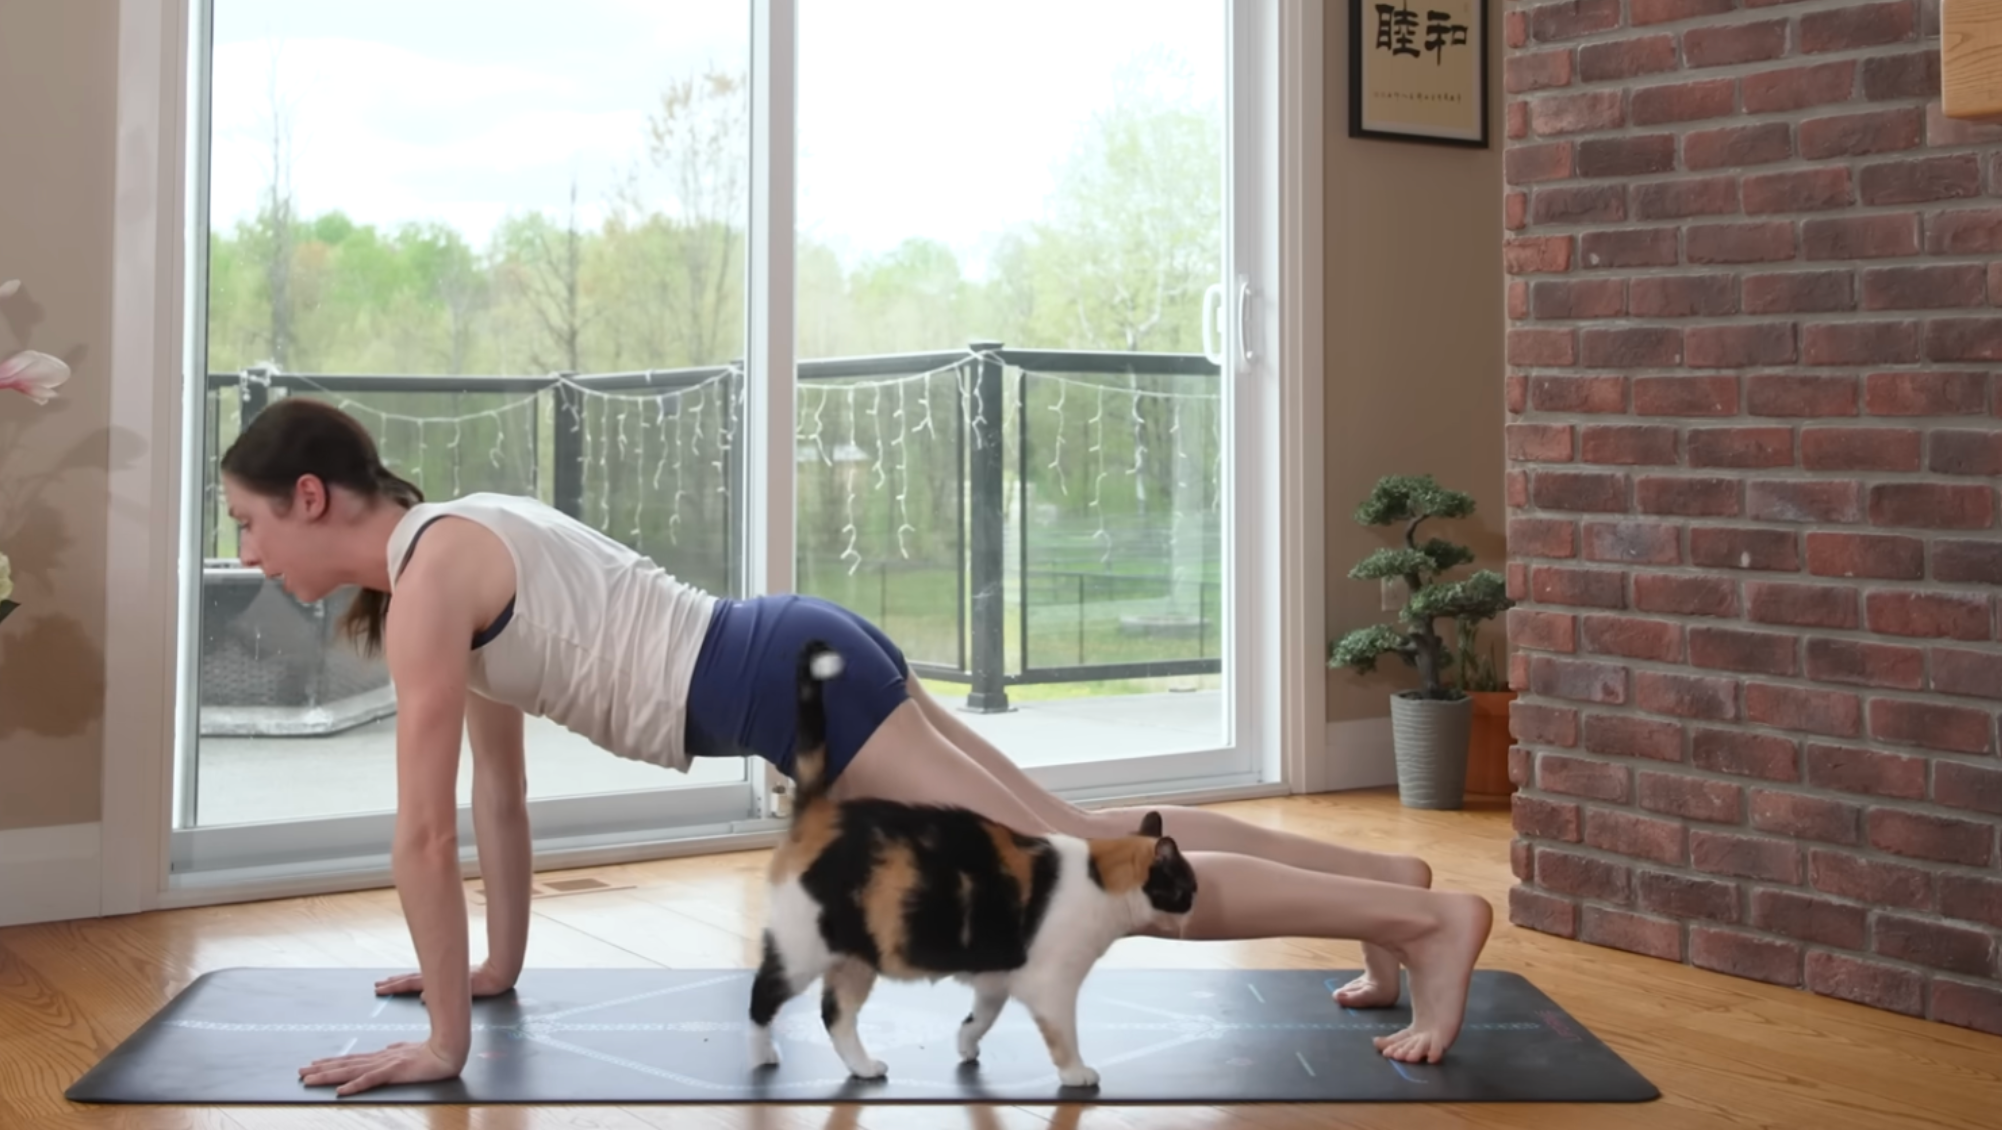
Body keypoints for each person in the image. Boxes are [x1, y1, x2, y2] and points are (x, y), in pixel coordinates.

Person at [218, 397, 1493, 1097]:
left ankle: (1433, 932)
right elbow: (497, 801)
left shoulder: (433, 576)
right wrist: (489, 971)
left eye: (246, 522)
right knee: (1085, 843)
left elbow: (420, 831)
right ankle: (1383, 894)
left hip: (785, 681)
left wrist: (441, 1045)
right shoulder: (441, 551)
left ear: (311, 499)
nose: (244, 553)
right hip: (794, 656)